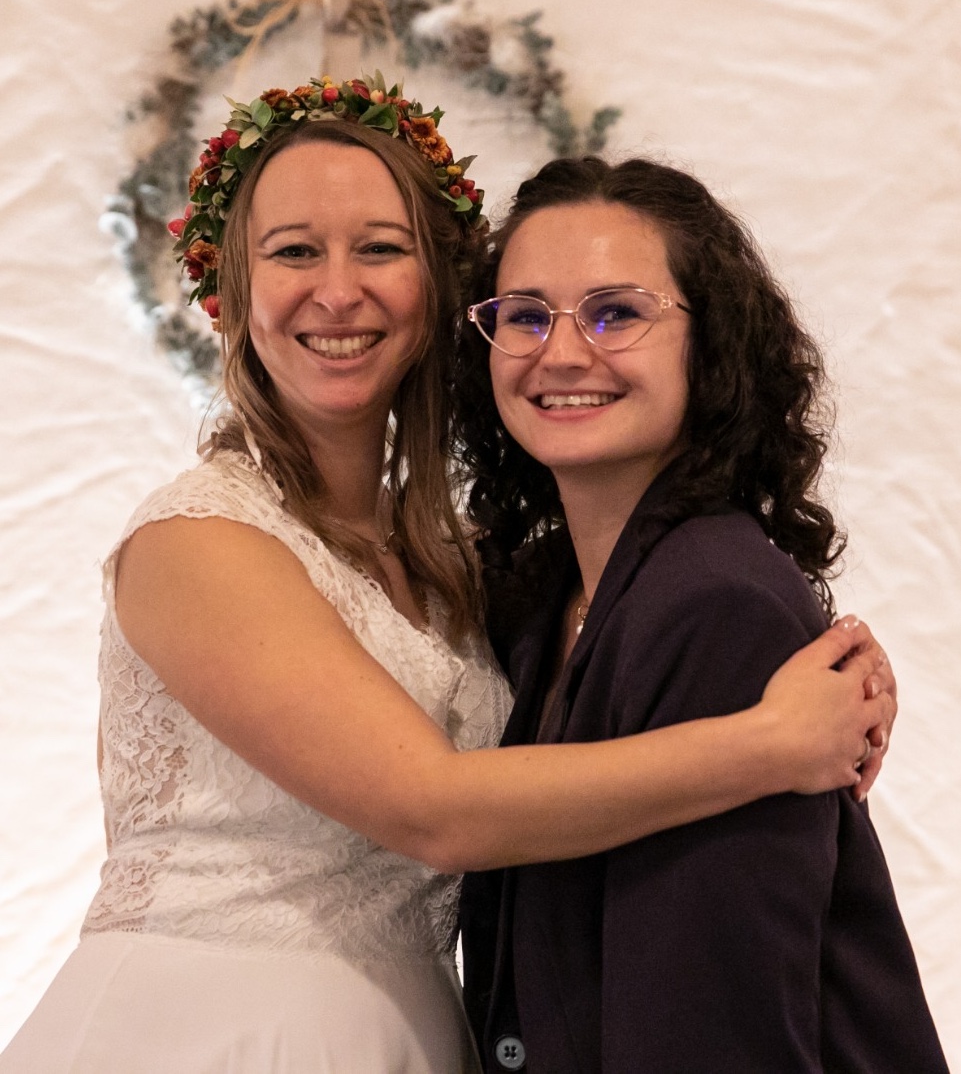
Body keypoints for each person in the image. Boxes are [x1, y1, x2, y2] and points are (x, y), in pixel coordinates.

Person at [0, 81, 893, 1074]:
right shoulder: (196, 542)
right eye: (294, 250)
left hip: (411, 1035)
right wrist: (768, 743)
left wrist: (834, 671)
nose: (337, 291)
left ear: (438, 286)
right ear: (232, 289)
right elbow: (433, 808)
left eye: (379, 248)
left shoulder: (470, 567)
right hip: (212, 1033)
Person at [456, 154, 947, 1074]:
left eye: (616, 313)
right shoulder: (541, 591)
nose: (561, 353)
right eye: (523, 316)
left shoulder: (716, 607)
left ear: (709, 345)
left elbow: (712, 1027)